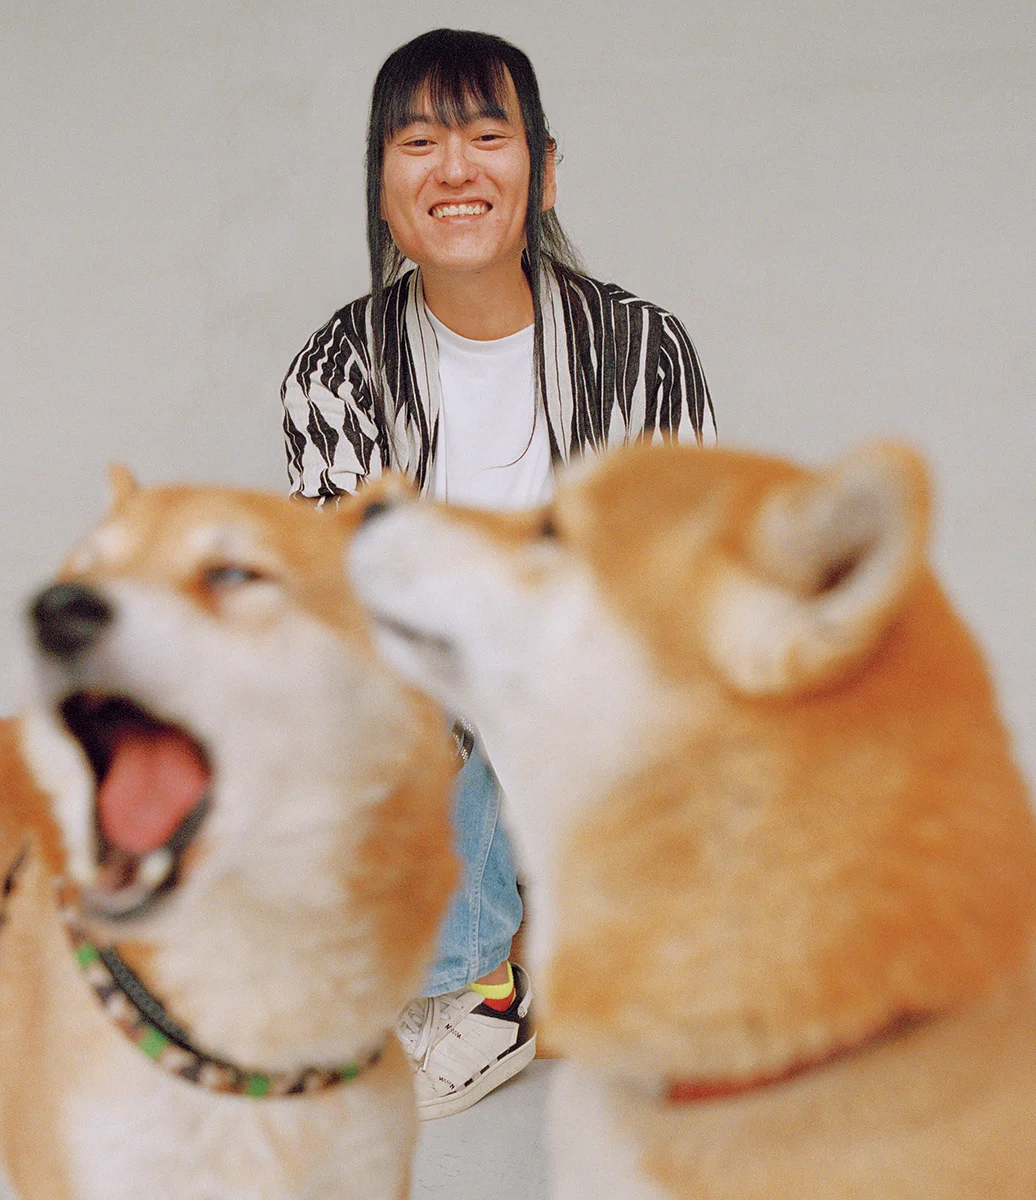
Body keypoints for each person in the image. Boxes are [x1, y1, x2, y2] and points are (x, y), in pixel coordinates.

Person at [281, 28, 715, 1119]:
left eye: (487, 135)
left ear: (545, 168)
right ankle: (481, 985)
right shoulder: (337, 371)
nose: (455, 169)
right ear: (382, 186)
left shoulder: (643, 352)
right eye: (418, 141)